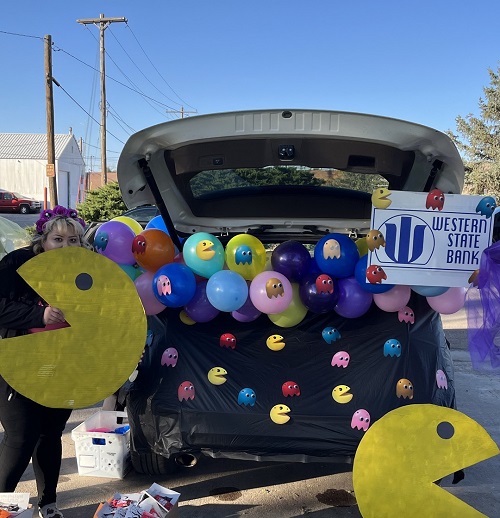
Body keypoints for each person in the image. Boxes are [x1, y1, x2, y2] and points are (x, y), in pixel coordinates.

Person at [0, 205, 88, 518]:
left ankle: (47, 504)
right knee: (20, 438)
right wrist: (40, 314)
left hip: (63, 366)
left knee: (50, 435)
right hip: (21, 363)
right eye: (58, 239)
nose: (65, 246)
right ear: (43, 239)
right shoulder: (17, 263)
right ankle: (1, 505)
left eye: (73, 240)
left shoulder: (86, 271)